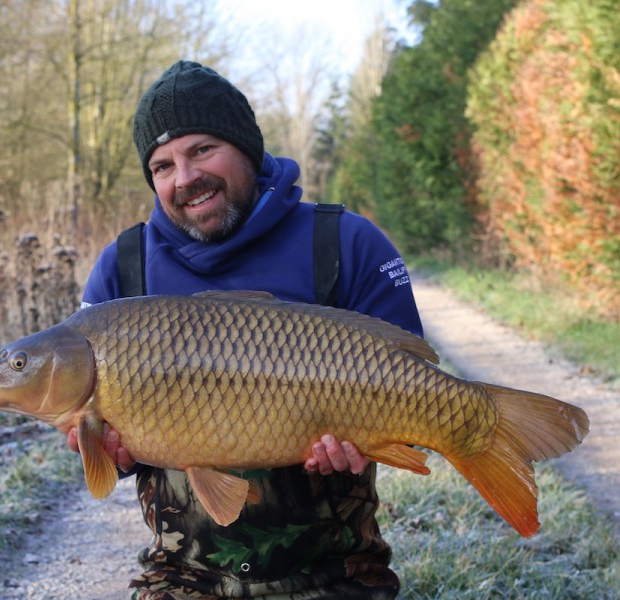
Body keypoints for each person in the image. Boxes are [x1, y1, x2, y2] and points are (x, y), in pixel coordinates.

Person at [68, 60, 424, 599]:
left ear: (247, 148)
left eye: (202, 150)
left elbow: (412, 387)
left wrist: (369, 441)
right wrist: (110, 452)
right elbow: (111, 457)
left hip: (336, 571)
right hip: (184, 575)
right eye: (162, 165)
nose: (185, 178)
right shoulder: (124, 268)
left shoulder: (345, 242)